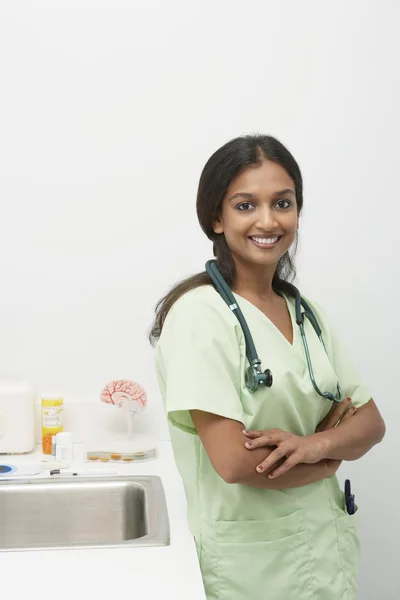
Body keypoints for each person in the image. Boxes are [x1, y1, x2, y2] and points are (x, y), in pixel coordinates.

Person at [149, 134, 386, 600]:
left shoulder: (307, 314)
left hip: (326, 552)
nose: (268, 220)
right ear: (215, 217)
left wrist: (311, 444)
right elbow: (236, 462)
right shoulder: (201, 316)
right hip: (251, 566)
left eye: (283, 202)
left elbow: (372, 423)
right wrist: (330, 456)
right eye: (244, 205)